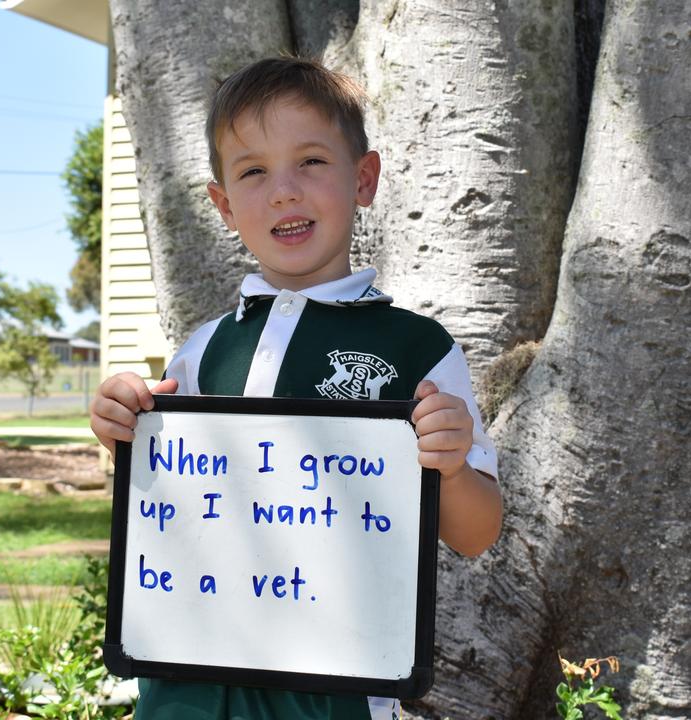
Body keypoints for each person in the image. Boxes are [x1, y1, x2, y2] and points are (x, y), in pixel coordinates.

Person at [89, 55, 503, 720]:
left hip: (333, 694)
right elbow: (168, 503)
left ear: (363, 180)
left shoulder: (417, 350)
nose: (283, 190)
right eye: (253, 171)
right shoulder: (200, 352)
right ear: (223, 206)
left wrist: (451, 470)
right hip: (186, 684)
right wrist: (123, 426)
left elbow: (478, 535)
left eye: (311, 161)